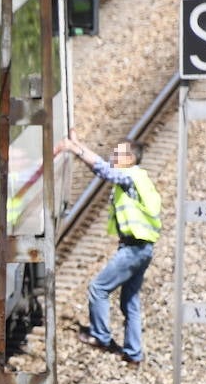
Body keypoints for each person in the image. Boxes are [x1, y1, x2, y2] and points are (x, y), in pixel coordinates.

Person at [55, 131, 162, 366]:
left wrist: (77, 150)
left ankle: (100, 336)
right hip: (143, 249)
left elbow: (102, 170)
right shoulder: (139, 178)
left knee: (98, 288)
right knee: (130, 301)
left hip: (133, 250)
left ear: (130, 159)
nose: (113, 155)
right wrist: (80, 144)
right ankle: (134, 353)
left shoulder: (130, 176)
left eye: (118, 153)